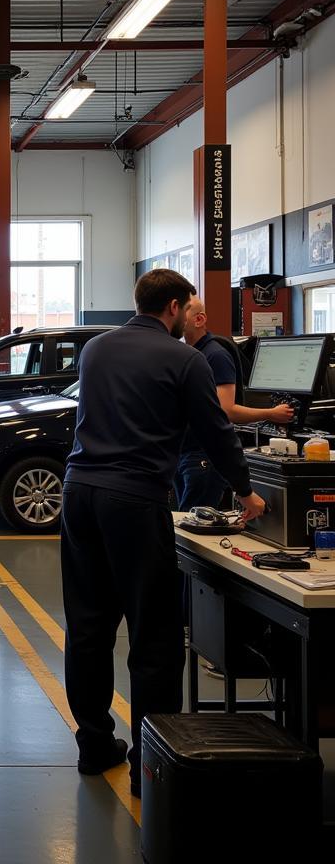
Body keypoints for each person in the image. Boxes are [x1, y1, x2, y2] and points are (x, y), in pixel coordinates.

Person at [60, 269, 266, 797]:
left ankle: (93, 745)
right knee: (153, 635)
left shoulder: (96, 350)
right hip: (133, 500)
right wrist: (246, 493)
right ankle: (145, 766)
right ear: (174, 307)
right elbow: (216, 430)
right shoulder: (186, 358)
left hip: (79, 492)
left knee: (88, 626)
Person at [175, 296, 294, 511]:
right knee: (182, 526)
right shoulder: (189, 355)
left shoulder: (216, 356)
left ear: (199, 319)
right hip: (183, 453)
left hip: (204, 456)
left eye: (183, 312)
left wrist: (271, 412)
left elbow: (226, 410)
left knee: (193, 526)